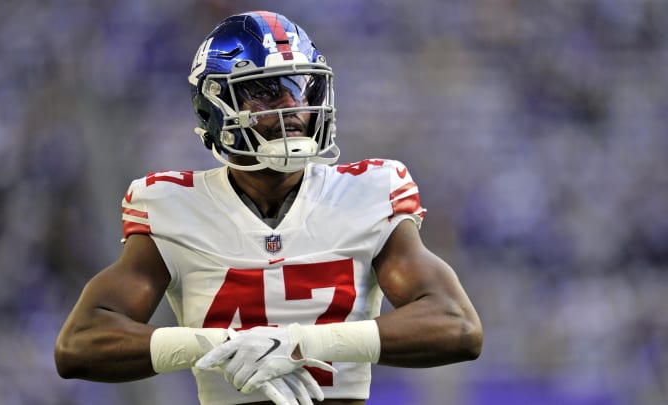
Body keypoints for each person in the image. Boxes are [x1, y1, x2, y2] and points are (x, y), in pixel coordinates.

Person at [54, 10, 483, 405]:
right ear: (214, 108)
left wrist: (300, 344)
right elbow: (79, 344)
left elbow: (457, 327)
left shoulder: (367, 192)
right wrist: (212, 346)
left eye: (299, 87)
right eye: (263, 91)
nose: (291, 106)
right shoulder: (172, 205)